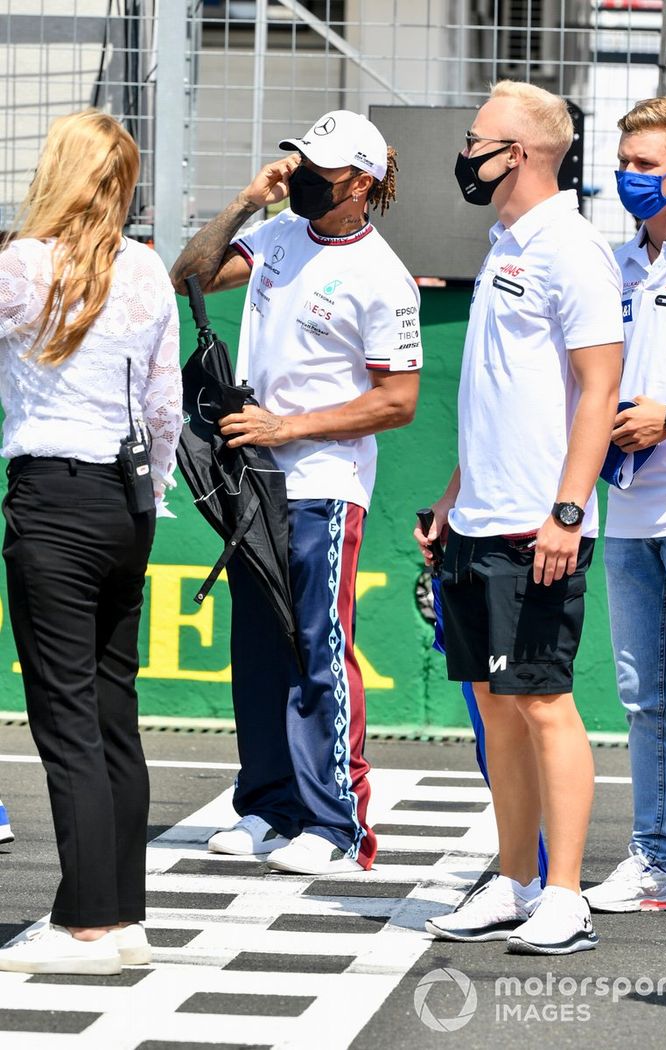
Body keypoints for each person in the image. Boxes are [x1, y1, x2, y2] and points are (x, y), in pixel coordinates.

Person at [171, 110, 421, 876]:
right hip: (253, 484)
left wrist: (292, 428)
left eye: (325, 168)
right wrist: (249, 200)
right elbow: (190, 276)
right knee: (258, 651)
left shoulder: (385, 276)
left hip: (325, 484)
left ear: (363, 186)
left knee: (318, 646)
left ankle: (335, 821)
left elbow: (400, 400)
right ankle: (267, 805)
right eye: (301, 160)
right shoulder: (277, 234)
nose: (306, 174)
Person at [416, 80, 623, 954]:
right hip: (480, 518)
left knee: (543, 705)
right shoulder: (506, 240)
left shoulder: (570, 247)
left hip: (541, 524)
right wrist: (455, 495)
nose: (465, 154)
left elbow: (600, 389)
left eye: (477, 140)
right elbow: (499, 393)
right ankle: (514, 879)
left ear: (524, 154)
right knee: (496, 704)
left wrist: (568, 512)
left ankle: (566, 894)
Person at [0, 110, 182, 974]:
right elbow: (164, 407)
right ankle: (123, 915)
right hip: (127, 499)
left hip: (52, 495)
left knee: (65, 717)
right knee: (113, 714)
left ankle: (87, 924)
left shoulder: (24, 265)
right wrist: (156, 494)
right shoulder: (148, 269)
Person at [584, 98, 666, 921]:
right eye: (623, 162)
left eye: (645, 164)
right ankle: (654, 862)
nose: (628, 176)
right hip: (626, 507)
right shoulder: (618, 261)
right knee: (642, 696)